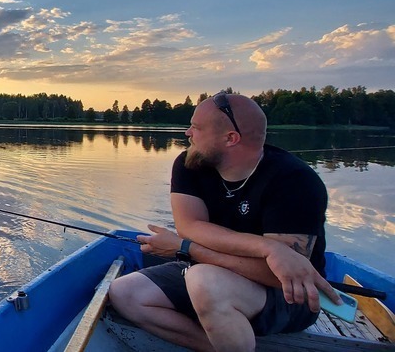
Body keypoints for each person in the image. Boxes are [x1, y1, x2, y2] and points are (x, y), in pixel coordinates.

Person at [107, 91, 341, 352]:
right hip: (209, 274)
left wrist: (187, 249)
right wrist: (269, 248)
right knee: (124, 292)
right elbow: (190, 226)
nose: (187, 133)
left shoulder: (295, 181)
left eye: (196, 127)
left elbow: (277, 276)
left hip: (289, 297)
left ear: (230, 138)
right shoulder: (190, 164)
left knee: (204, 281)